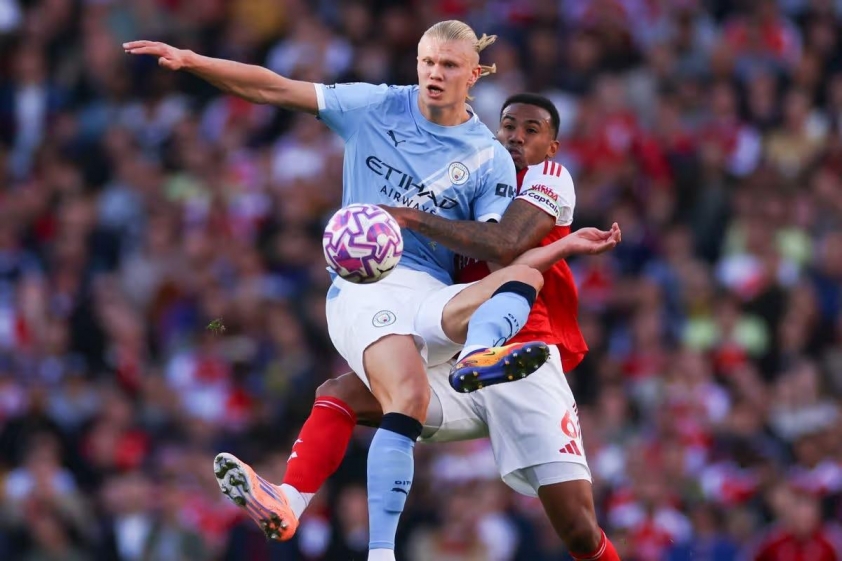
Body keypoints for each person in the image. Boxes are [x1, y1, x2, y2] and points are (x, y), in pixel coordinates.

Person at [125, 20, 582, 561]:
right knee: (407, 394)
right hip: (365, 283)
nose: (435, 74)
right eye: (427, 62)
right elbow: (275, 87)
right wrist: (195, 61)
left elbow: (497, 245)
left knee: (519, 279)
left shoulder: (489, 156)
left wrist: (412, 218)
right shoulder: (375, 105)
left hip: (430, 293)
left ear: (474, 74)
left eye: (449, 65)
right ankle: (380, 552)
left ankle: (293, 495)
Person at [213, 94, 622, 561]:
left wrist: (409, 216)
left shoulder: (549, 176)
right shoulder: (472, 178)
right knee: (341, 392)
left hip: (522, 359)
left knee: (579, 531)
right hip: (456, 356)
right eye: (508, 125)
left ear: (551, 146)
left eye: (531, 130)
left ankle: (483, 354)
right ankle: (289, 501)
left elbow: (506, 248)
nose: (516, 136)